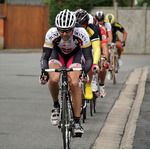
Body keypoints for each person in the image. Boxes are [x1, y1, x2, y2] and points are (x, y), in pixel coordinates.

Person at [40, 9, 93, 135]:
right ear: (57, 28)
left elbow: (89, 58)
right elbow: (44, 57)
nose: (64, 34)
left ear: (73, 27)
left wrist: (84, 72)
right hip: (57, 54)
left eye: (68, 30)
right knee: (53, 79)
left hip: (74, 55)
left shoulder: (82, 32)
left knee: (74, 83)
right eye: (61, 30)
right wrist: (43, 72)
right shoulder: (51, 33)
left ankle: (76, 122)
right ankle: (56, 106)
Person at [75, 9, 101, 100]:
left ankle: (88, 85)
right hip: (77, 46)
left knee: (88, 59)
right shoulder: (72, 28)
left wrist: (95, 63)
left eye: (83, 25)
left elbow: (97, 48)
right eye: (78, 25)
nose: (81, 27)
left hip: (88, 46)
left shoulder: (92, 29)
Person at [92, 16, 109, 97]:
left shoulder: (101, 29)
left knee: (103, 64)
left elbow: (105, 46)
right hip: (89, 47)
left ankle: (101, 84)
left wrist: (105, 59)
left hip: (99, 46)